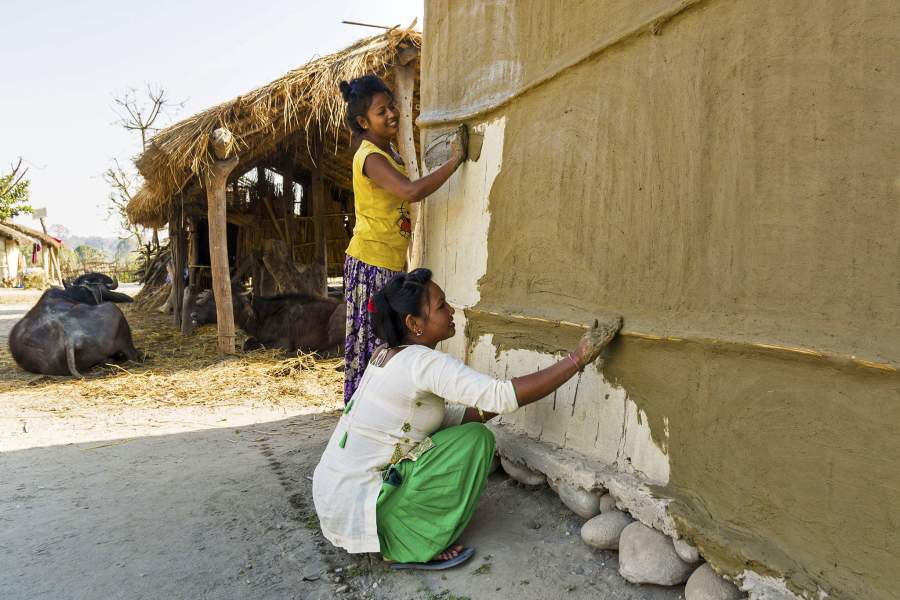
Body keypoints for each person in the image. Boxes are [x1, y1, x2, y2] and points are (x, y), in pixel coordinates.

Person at [312, 268, 622, 569]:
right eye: (441, 306)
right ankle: (407, 542)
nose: (451, 311)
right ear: (414, 322)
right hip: (362, 504)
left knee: (462, 432)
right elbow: (501, 396)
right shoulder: (424, 362)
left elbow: (442, 417)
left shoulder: (387, 354)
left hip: (337, 498)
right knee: (475, 439)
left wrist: (499, 400)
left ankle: (395, 523)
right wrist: (577, 359)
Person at [338, 74, 467, 404]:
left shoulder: (389, 152)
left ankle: (383, 409)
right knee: (374, 343)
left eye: (392, 106)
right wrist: (454, 162)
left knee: (387, 340)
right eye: (381, 111)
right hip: (370, 262)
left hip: (385, 260)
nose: (392, 114)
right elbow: (410, 192)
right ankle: (363, 410)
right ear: (363, 122)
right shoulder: (370, 157)